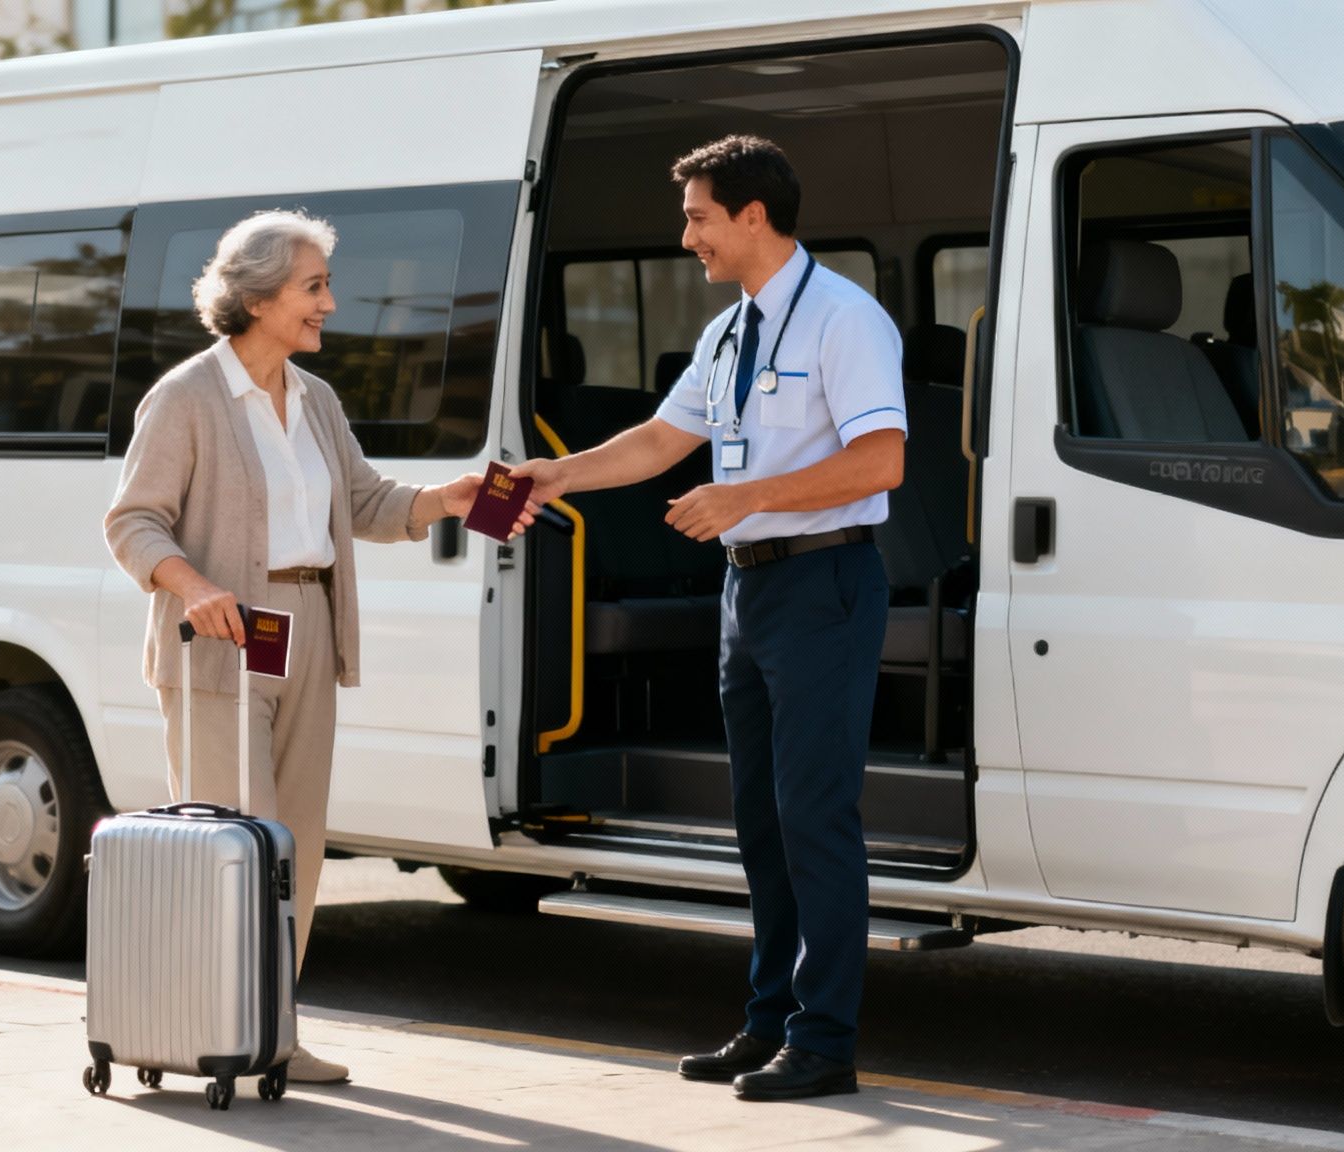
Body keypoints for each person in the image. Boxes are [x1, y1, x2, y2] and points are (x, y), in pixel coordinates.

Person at [511, 135, 906, 1102]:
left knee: (815, 817)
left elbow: (882, 462)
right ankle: (770, 1021)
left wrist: (744, 497)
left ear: (752, 216)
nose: (685, 236)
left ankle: (825, 1041)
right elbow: (659, 440)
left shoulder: (845, 321)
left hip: (824, 583)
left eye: (696, 217)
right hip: (749, 591)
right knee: (761, 821)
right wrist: (555, 473)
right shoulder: (729, 330)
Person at [103, 210, 529, 1085]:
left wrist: (448, 499)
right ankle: (211, 1026)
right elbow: (132, 521)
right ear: (256, 297)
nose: (330, 304)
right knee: (233, 835)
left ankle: (273, 1031)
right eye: (313, 287)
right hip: (220, 640)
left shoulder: (315, 399)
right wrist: (196, 587)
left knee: (292, 841)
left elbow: (365, 505)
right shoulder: (187, 397)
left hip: (307, 631)